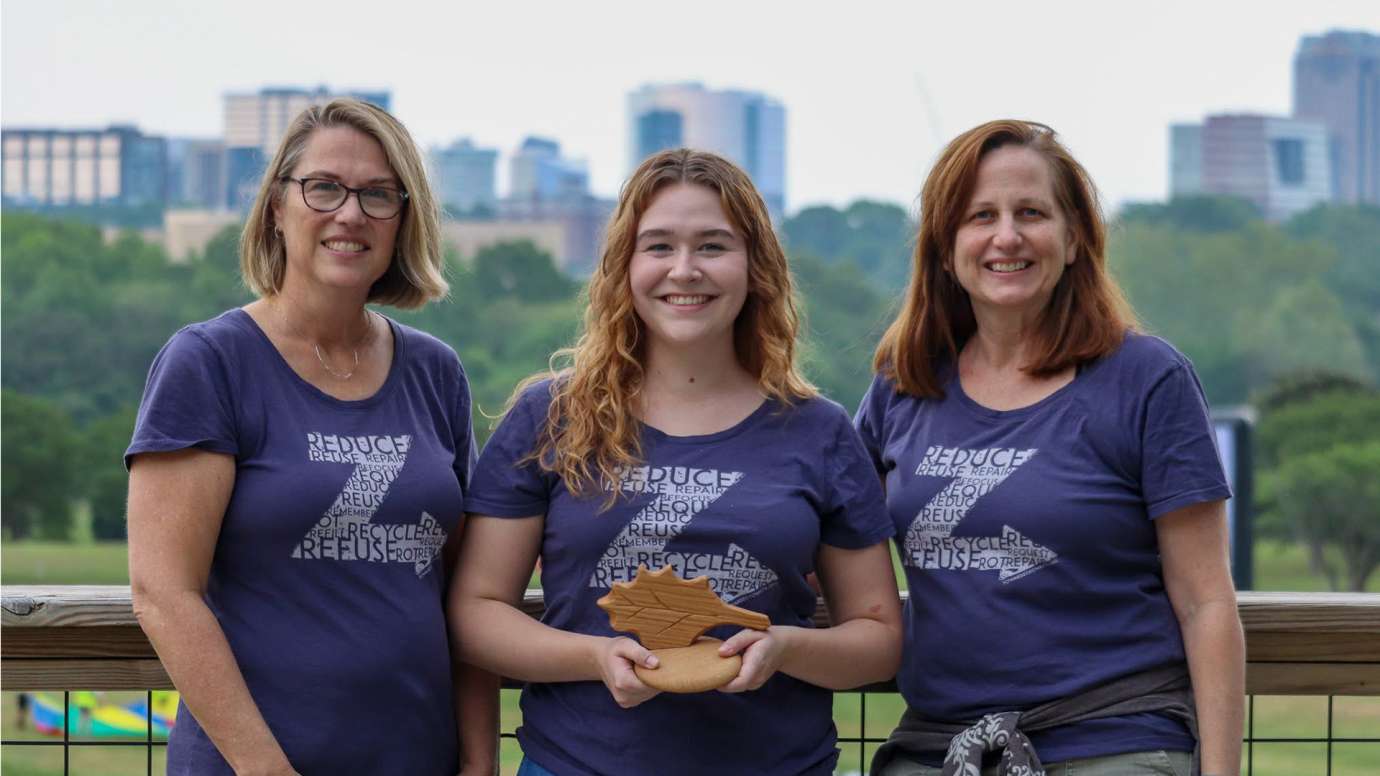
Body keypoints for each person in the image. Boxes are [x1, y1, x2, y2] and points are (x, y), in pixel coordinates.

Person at [448, 148, 903, 776]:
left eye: (713, 246)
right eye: (658, 246)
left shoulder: (819, 430)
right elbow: (476, 612)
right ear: (623, 268)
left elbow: (878, 637)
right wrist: (594, 658)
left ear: (755, 268)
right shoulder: (549, 415)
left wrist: (786, 647)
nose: (684, 270)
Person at [857, 120, 1244, 776]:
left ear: (1074, 240)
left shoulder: (1147, 379)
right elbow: (824, 544)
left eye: (1031, 212)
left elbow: (1206, 599)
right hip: (939, 745)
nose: (1006, 236)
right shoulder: (904, 383)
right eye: (981, 216)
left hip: (1113, 736)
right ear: (946, 249)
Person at [126, 98, 496, 776]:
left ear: (403, 220)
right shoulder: (209, 363)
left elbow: (464, 596)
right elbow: (163, 593)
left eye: (378, 194)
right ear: (276, 205)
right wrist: (265, 768)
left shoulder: (435, 373)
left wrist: (478, 760)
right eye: (324, 187)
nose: (350, 213)